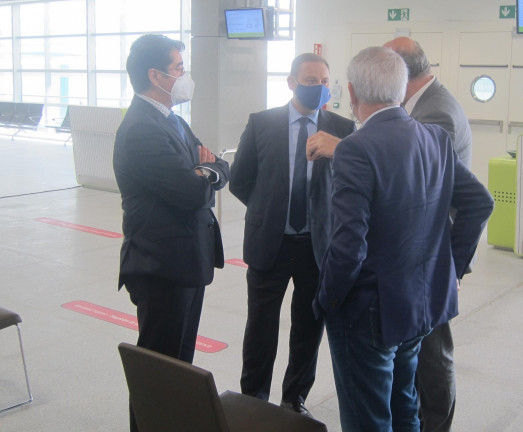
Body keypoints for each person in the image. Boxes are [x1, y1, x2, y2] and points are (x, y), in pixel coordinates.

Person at [313, 46, 494, 432]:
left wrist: (327, 300)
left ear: (352, 92)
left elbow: (348, 245)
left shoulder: (356, 150)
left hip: (369, 312)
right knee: (404, 406)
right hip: (419, 304)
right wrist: (448, 266)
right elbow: (480, 202)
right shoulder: (434, 139)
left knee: (369, 417)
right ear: (401, 89)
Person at [113, 34, 229, 432]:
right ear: (155, 75)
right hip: (161, 267)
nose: (184, 76)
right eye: (178, 68)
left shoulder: (172, 120)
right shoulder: (142, 130)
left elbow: (215, 168)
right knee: (158, 371)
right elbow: (191, 191)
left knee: (179, 367)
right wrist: (204, 174)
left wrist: (206, 171)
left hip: (186, 263)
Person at [229, 53, 355, 416]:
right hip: (271, 241)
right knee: (261, 325)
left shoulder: (342, 129)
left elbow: (352, 185)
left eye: (324, 80)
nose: (318, 87)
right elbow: (240, 179)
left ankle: (294, 396)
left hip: (317, 247)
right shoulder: (263, 123)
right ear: (291, 82)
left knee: (308, 326)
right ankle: (253, 395)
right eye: (310, 79)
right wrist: (268, 207)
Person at [385, 36, 472, 432]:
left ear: (401, 74)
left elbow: (412, 182)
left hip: (430, 253)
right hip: (420, 251)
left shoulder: (437, 114)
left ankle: (434, 424)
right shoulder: (421, 105)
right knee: (419, 343)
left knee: (433, 350)